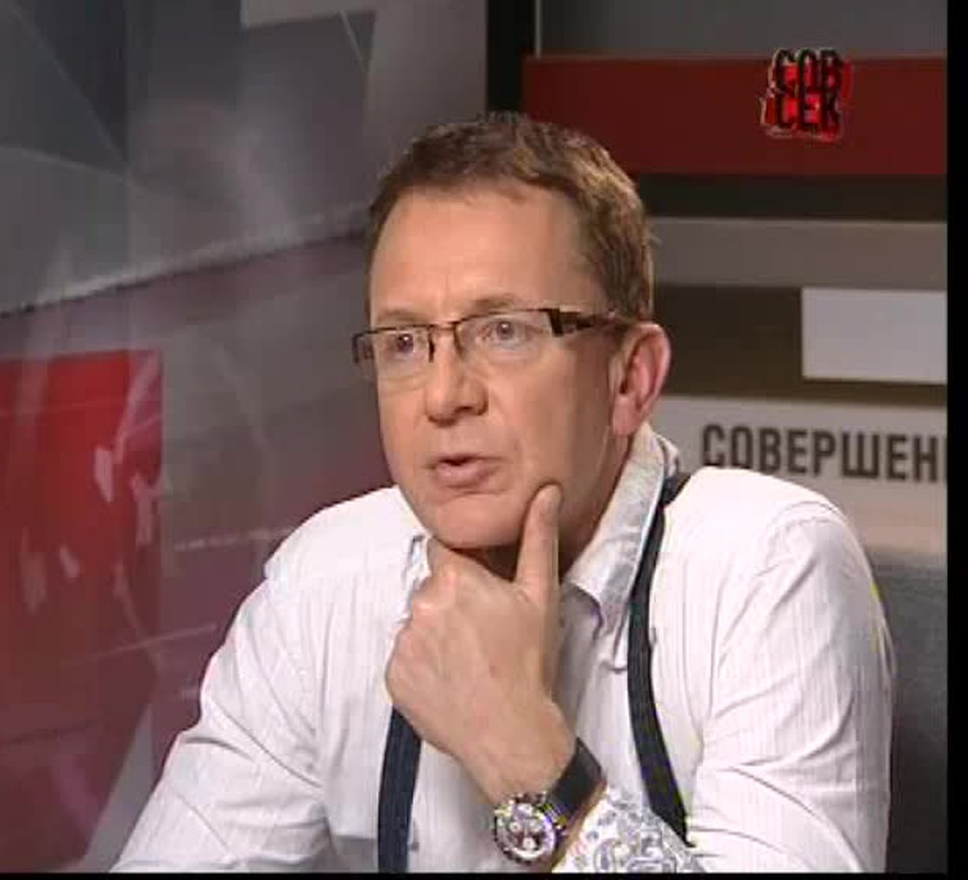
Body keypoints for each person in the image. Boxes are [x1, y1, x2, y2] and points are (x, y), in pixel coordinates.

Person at [113, 112, 894, 872]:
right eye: (405, 343)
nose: (443, 396)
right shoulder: (323, 585)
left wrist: (523, 757)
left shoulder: (767, 569)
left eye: (504, 332)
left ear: (630, 379)